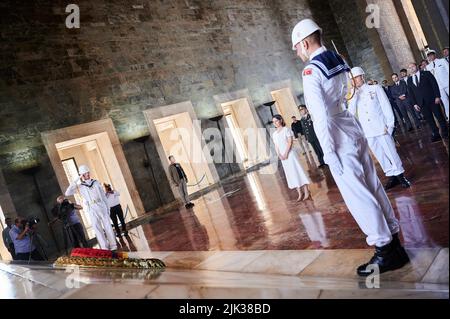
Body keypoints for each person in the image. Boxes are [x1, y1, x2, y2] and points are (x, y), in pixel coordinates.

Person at [291, 18, 409, 276]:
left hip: (336, 131)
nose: (297, 53)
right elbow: (348, 94)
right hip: (351, 124)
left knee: (358, 194)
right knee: (373, 185)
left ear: (304, 42)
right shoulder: (338, 58)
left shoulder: (311, 71)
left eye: (297, 48)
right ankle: (395, 242)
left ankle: (384, 249)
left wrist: (329, 153)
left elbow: (319, 116)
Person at [348, 67, 411, 190]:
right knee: (379, 154)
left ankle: (400, 175)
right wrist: (354, 96)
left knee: (391, 152)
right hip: (367, 131)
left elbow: (386, 106)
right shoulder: (353, 96)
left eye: (356, 77)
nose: (355, 80)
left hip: (381, 127)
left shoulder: (375, 88)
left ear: (362, 76)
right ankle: (391, 175)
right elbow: (350, 113)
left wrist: (390, 125)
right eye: (352, 79)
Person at [65, 165, 117, 251]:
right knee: (97, 228)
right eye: (85, 173)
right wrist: (78, 178)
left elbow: (103, 196)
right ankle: (104, 247)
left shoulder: (96, 182)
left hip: (101, 205)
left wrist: (108, 208)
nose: (88, 174)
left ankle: (113, 244)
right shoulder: (80, 186)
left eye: (88, 172)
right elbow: (67, 192)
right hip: (91, 208)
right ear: (82, 175)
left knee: (108, 226)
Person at [406, 62, 448, 143]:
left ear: (416, 66)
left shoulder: (426, 73)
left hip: (432, 99)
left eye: (413, 66)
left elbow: (434, 84)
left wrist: (437, 96)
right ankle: (436, 134)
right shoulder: (409, 80)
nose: (411, 68)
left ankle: (445, 132)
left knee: (439, 116)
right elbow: (411, 93)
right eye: (409, 67)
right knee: (429, 119)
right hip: (421, 103)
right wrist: (414, 104)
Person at [272, 114, 311, 201]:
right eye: (273, 122)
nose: (275, 123)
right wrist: (279, 155)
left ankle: (306, 191)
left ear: (281, 120)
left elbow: (290, 142)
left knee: (297, 170)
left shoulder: (286, 130)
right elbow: (276, 146)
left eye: (276, 121)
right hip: (283, 157)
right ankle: (299, 193)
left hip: (290, 154)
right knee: (291, 174)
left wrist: (286, 153)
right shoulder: (274, 134)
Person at [426, 49, 449, 119]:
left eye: (431, 55)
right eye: (429, 56)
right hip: (439, 87)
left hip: (447, 83)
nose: (430, 57)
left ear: (434, 55)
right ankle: (448, 116)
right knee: (445, 102)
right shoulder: (428, 67)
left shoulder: (442, 61)